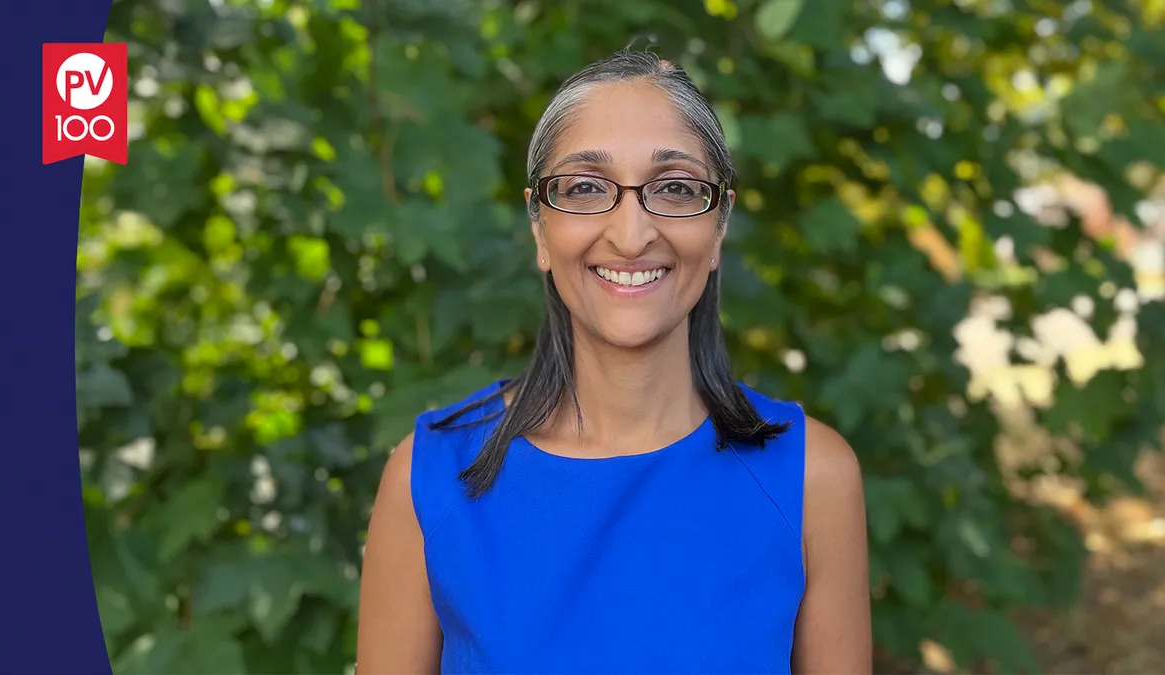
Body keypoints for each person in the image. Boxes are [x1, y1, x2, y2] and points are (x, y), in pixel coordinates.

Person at [357, 49, 872, 674]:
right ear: (540, 228)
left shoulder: (813, 478)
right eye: (585, 188)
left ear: (720, 225)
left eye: (675, 189)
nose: (631, 235)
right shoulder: (429, 479)